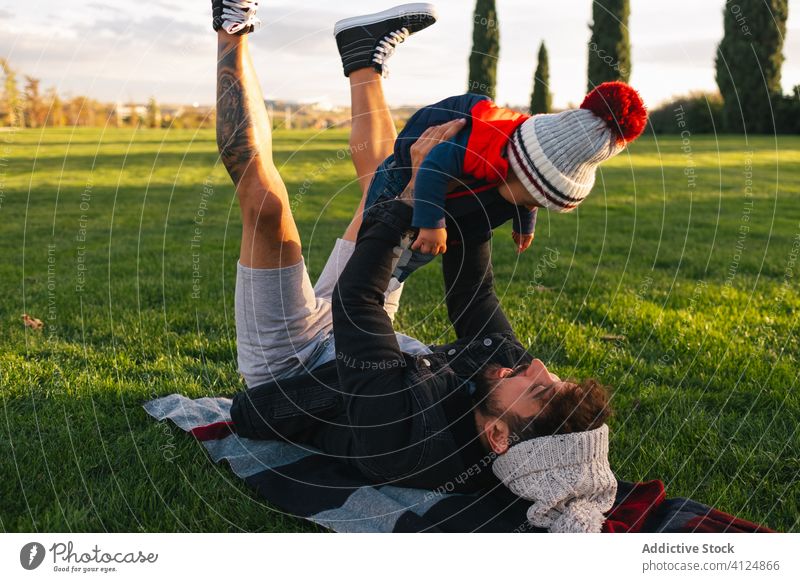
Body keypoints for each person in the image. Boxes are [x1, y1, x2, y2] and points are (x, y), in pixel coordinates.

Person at [216, 1, 617, 532]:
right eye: (555, 379)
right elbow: (475, 294)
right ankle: (364, 58)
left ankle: (230, 29)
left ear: (498, 437)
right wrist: (480, 198)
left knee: (267, 212)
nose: (539, 368)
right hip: (365, 339)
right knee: (388, 185)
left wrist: (410, 201)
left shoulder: (404, 436)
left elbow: (357, 301)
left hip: (297, 364)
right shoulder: (509, 384)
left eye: (540, 390)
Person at [335, 8, 647, 287]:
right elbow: (431, 167)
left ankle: (362, 57)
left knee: (394, 237)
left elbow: (528, 196)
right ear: (521, 168)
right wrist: (431, 226)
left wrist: (525, 221)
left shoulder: (522, 150)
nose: (529, 203)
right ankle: (369, 284)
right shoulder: (482, 153)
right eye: (532, 197)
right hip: (409, 163)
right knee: (383, 239)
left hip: (436, 152)